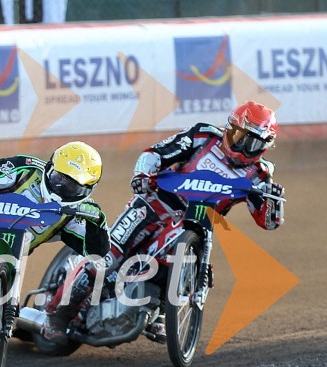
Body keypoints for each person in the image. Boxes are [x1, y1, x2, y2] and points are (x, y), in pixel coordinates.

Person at [43, 100, 285, 345]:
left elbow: (267, 221)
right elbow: (155, 153)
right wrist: (143, 175)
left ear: (265, 146)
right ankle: (56, 315)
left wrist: (273, 203)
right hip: (152, 205)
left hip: (192, 224)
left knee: (178, 263)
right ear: (230, 128)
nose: (244, 147)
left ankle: (159, 309)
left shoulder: (260, 174)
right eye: (240, 137)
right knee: (106, 259)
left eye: (253, 143)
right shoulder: (203, 136)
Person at [0, 141, 110, 256]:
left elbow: (96, 254)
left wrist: (96, 224)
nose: (62, 187)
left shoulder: (77, 213)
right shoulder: (25, 168)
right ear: (50, 167)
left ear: (87, 190)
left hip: (1, 262)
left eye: (72, 187)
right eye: (59, 178)